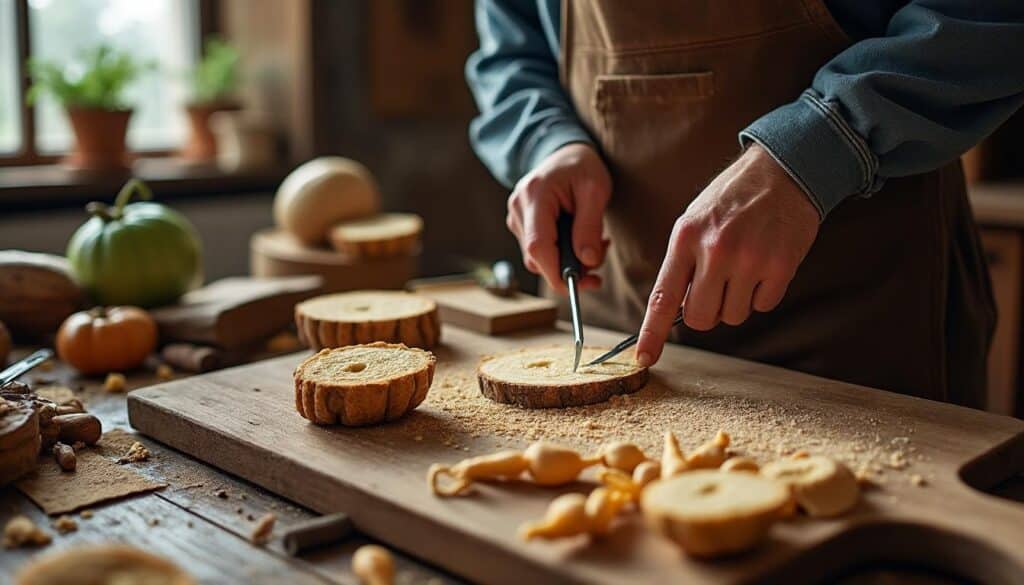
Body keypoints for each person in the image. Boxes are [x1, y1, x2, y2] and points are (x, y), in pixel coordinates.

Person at [466, 0, 1024, 407]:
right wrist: (548, 139)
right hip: (608, 305)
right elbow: (510, 43)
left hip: (862, 324)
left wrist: (819, 146)